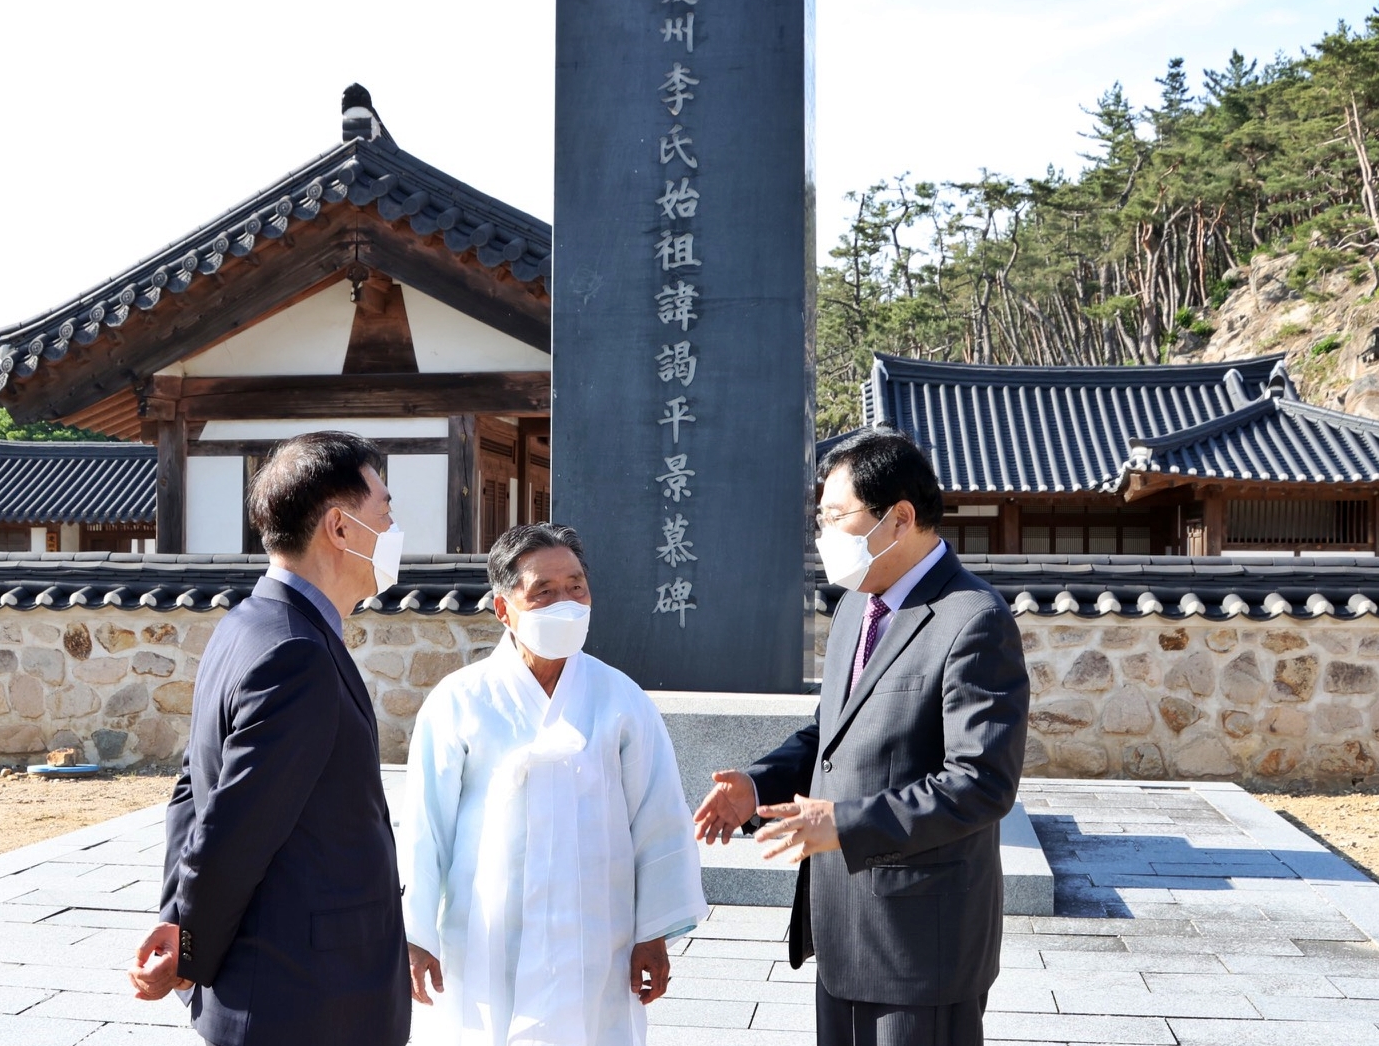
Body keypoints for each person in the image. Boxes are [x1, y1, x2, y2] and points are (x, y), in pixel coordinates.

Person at [694, 430, 1029, 1046]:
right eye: (820, 519)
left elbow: (981, 782)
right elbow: (836, 728)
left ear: (900, 518)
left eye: (836, 517)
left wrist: (844, 823)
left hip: (921, 939)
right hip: (844, 923)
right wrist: (756, 785)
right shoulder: (858, 603)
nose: (824, 536)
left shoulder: (972, 619)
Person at [128, 431, 410, 1046]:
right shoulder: (296, 651)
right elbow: (235, 828)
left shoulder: (247, 623)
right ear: (340, 528)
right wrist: (188, 950)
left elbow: (190, 792)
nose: (394, 529)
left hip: (278, 984)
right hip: (306, 993)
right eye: (384, 511)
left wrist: (178, 919)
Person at [402, 522, 707, 1046]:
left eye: (576, 587)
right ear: (503, 609)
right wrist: (416, 935)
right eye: (543, 592)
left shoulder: (621, 699)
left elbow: (658, 820)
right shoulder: (460, 700)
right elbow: (426, 828)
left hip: (596, 933)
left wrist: (652, 932)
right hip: (485, 932)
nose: (565, 602)